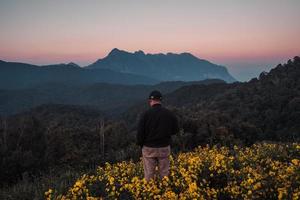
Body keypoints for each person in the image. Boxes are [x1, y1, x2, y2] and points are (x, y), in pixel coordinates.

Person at [137, 90, 179, 181]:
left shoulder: (145, 115)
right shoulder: (169, 114)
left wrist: (141, 145)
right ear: (161, 100)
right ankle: (165, 192)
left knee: (149, 174)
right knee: (164, 173)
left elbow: (140, 133)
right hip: (164, 147)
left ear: (150, 101)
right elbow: (175, 130)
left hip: (149, 148)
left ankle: (149, 192)